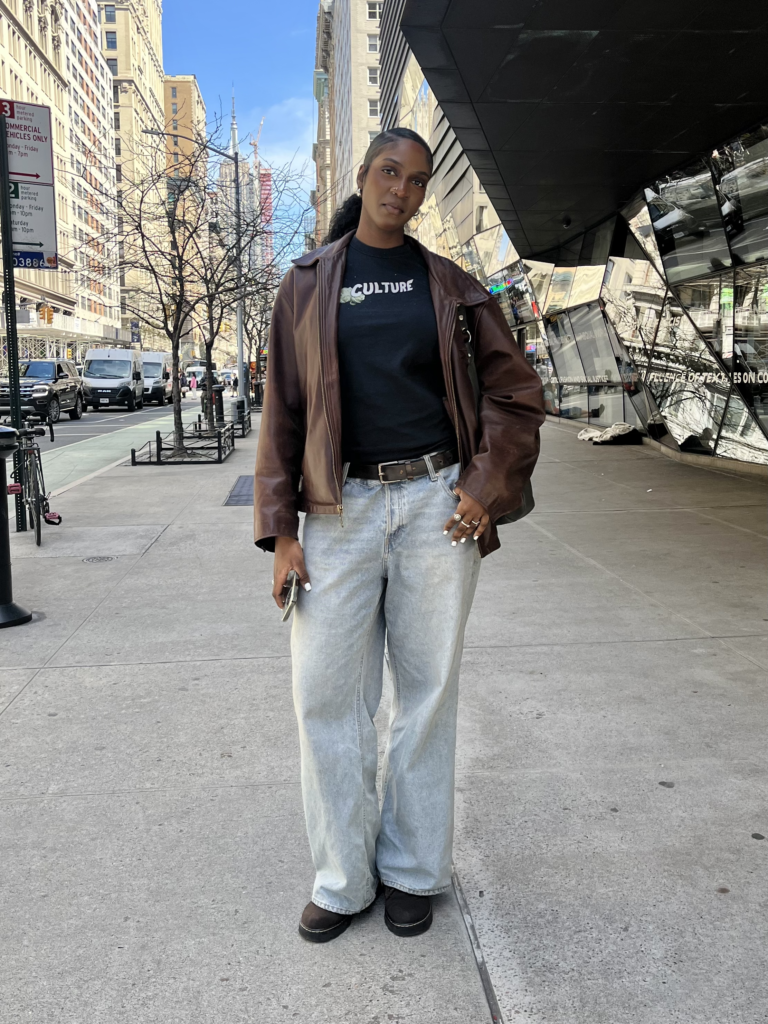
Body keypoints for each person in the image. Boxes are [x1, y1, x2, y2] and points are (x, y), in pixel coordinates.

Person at [253, 127, 544, 944]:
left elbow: (516, 393)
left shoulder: (450, 285)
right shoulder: (308, 283)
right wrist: (281, 532)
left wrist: (484, 486)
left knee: (426, 695)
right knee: (326, 696)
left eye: (417, 181)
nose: (403, 191)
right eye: (390, 172)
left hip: (432, 507)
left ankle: (413, 869)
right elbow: (283, 412)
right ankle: (343, 879)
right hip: (336, 510)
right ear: (364, 174)